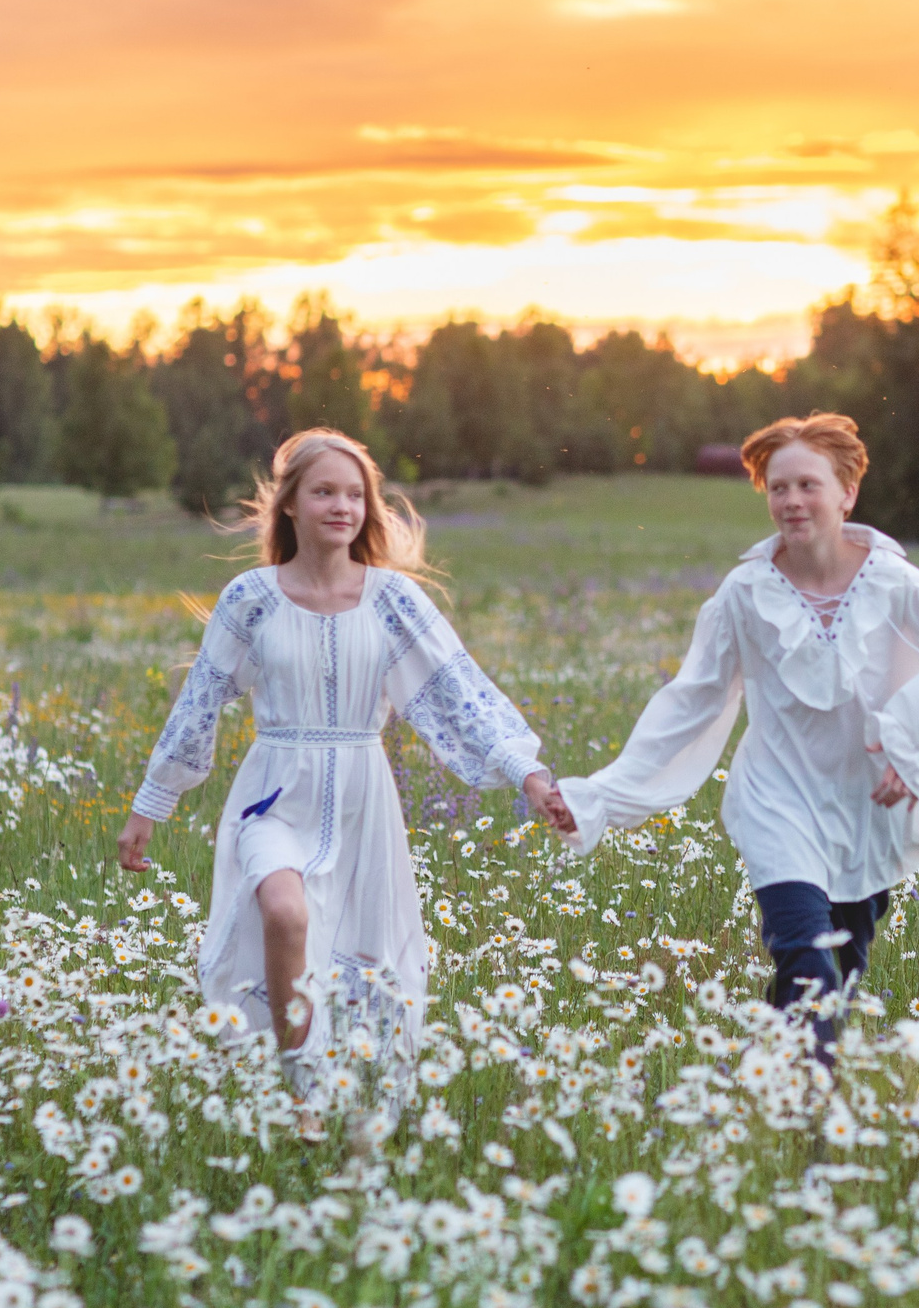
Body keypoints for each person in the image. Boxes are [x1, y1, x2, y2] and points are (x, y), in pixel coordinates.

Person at [118, 429, 576, 1114]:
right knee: (283, 908)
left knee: (357, 959)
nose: (342, 505)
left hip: (364, 802)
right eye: (324, 491)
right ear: (291, 507)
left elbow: (459, 690)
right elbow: (201, 700)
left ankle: (338, 1094)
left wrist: (529, 774)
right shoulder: (251, 597)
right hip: (273, 792)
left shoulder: (392, 599)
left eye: (354, 493)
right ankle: (301, 1090)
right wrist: (149, 806)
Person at [558, 414, 919, 1061]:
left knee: (837, 981)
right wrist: (602, 793)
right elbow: (691, 701)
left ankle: (768, 1088)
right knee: (809, 965)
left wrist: (916, 750)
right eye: (777, 487)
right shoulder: (745, 593)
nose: (791, 501)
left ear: (847, 492)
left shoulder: (898, 584)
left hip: (866, 809)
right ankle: (808, 1111)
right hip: (777, 802)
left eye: (807, 485)